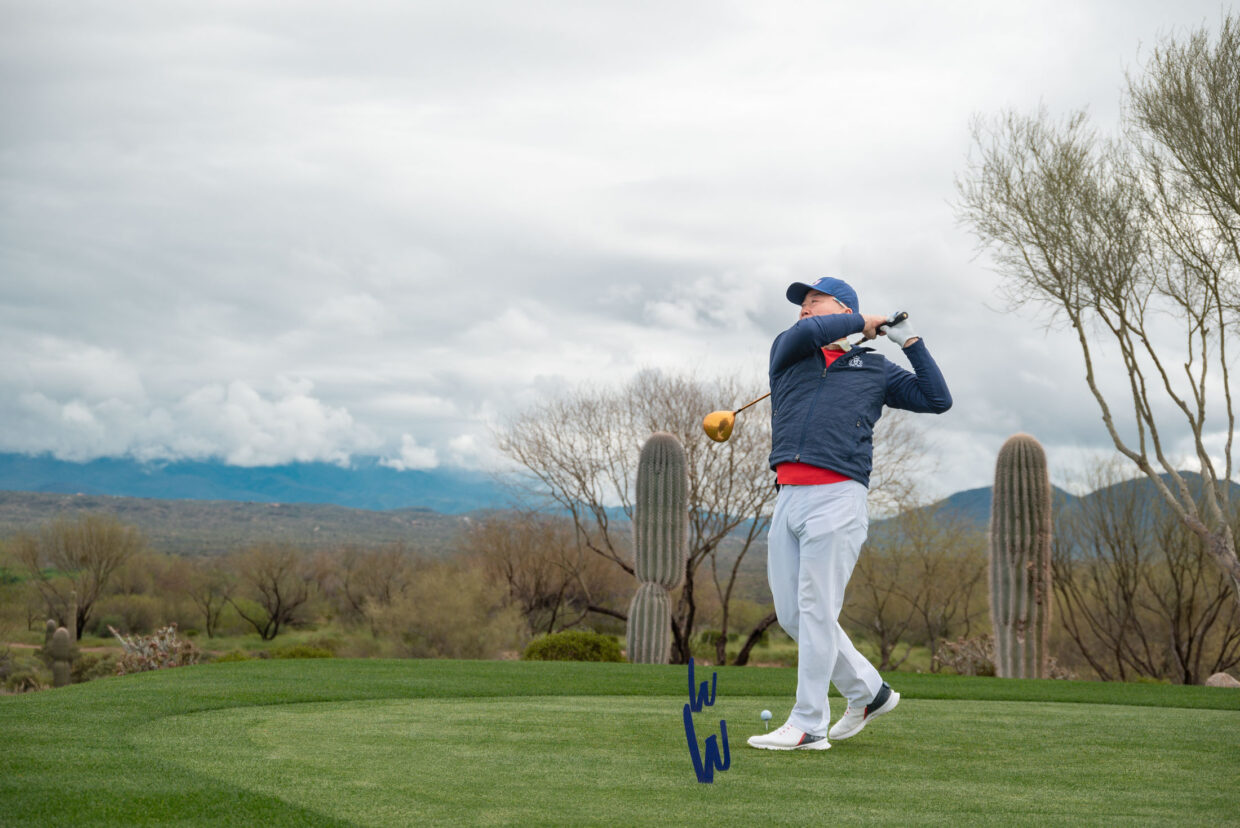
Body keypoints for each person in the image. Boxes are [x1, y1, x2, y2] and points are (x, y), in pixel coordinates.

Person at [747, 276, 951, 751]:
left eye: (815, 300)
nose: (804, 308)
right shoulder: (790, 351)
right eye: (802, 303)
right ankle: (868, 692)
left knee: (817, 612)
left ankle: (808, 724)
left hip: (838, 496)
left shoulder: (874, 368)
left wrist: (910, 342)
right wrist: (865, 321)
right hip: (788, 496)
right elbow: (807, 332)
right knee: (793, 616)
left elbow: (937, 399)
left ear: (843, 308)